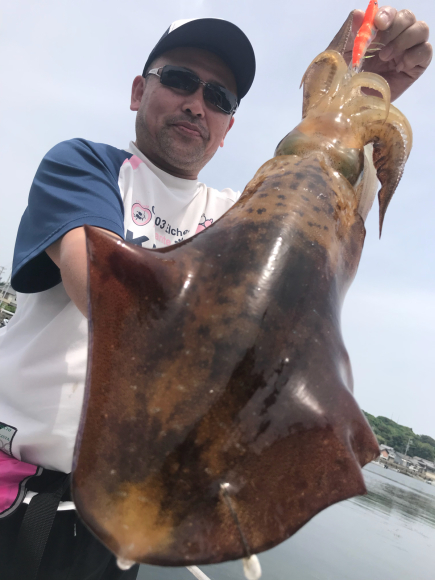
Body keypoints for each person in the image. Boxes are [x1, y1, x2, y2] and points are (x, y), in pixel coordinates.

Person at [0, 8, 432, 580]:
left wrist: (350, 113)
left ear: (229, 128)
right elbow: (117, 302)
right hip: (14, 495)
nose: (196, 102)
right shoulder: (85, 166)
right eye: (179, 79)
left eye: (219, 97)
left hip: (112, 536)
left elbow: (317, 254)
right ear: (138, 91)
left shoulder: (235, 215)